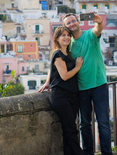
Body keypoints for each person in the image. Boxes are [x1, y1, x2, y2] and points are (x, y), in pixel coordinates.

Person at [62, 13, 112, 155]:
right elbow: (57, 60)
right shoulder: (69, 45)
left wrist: (99, 21)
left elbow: (98, 29)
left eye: (73, 21)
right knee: (84, 124)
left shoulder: (90, 35)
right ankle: (88, 153)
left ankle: (107, 153)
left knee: (103, 123)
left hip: (99, 84)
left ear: (78, 21)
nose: (72, 24)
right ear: (66, 27)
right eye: (68, 23)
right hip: (82, 88)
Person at [39, 26, 83, 155]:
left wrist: (47, 81)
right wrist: (78, 67)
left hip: (72, 95)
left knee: (69, 129)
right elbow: (64, 76)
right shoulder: (57, 53)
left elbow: (52, 69)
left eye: (68, 35)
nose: (66, 37)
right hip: (61, 96)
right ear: (57, 38)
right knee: (70, 129)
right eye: (63, 35)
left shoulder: (67, 54)